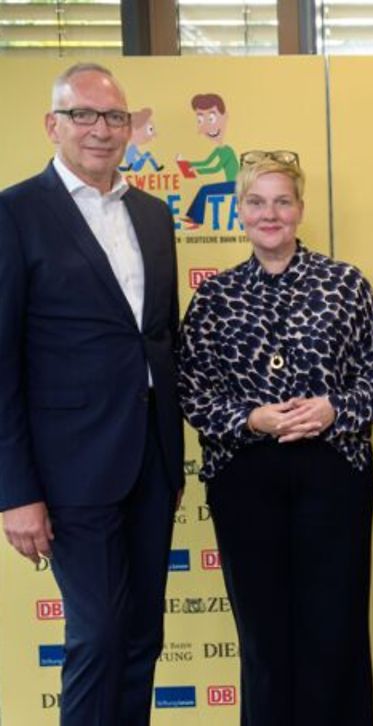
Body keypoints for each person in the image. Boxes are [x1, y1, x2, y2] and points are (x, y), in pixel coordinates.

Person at [177, 151, 373, 725]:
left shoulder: (345, 284)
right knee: (264, 633)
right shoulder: (215, 298)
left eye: (281, 201)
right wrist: (253, 419)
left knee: (335, 628)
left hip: (333, 470)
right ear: (239, 212)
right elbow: (192, 391)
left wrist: (334, 409)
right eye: (256, 202)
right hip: (246, 477)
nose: (269, 214)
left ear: (299, 209)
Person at [0, 63, 183, 725]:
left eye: (113, 117)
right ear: (53, 125)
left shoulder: (154, 216)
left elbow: (161, 338)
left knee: (141, 639)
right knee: (99, 636)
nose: (100, 130)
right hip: (68, 471)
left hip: (151, 465)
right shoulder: (14, 213)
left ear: (130, 128)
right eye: (83, 115)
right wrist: (15, 491)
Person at [181, 92, 238, 226]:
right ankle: (194, 218)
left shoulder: (227, 150)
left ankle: (196, 219)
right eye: (200, 120)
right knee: (205, 190)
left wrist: (197, 171)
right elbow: (206, 162)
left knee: (205, 190)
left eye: (211, 119)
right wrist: (188, 163)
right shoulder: (218, 150)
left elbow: (215, 168)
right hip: (231, 184)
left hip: (236, 184)